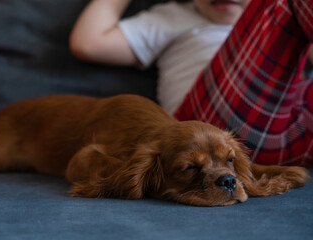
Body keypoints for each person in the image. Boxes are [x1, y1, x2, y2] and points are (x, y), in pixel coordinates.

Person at [69, 0, 313, 166]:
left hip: (295, 122)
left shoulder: (287, 23)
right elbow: (88, 43)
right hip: (213, 136)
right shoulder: (174, 16)